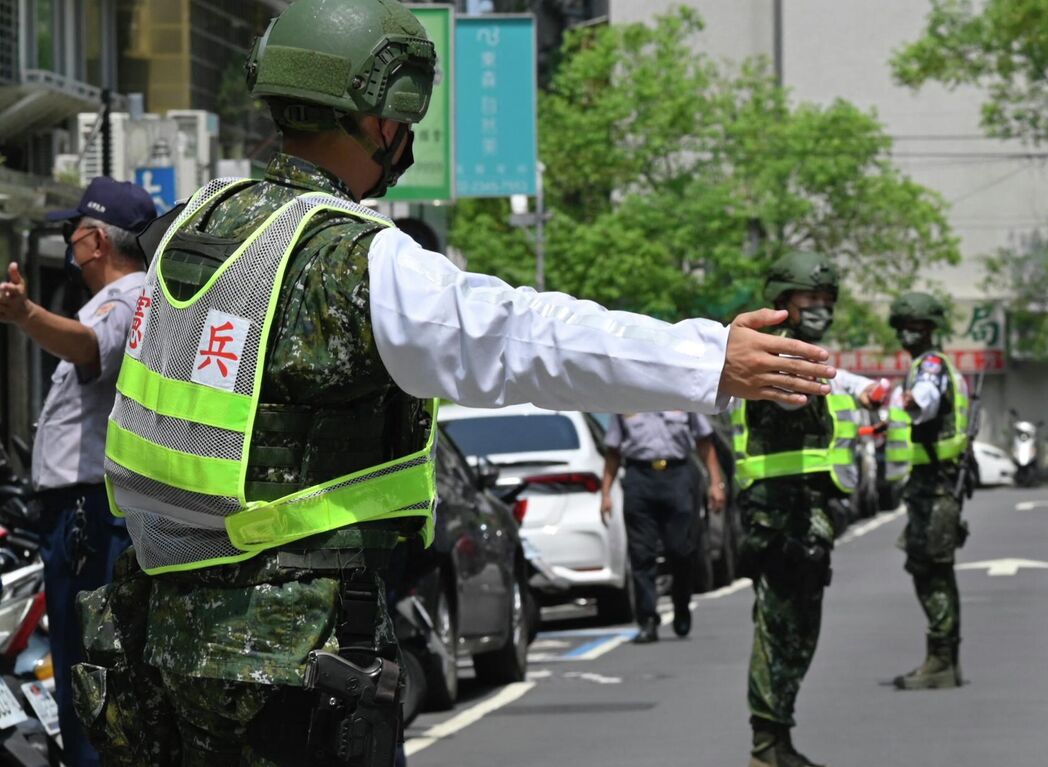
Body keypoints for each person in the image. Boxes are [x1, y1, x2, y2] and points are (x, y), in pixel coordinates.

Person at [71, 1, 836, 763]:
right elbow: (522, 337)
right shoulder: (352, 258)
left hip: (162, 650)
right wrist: (705, 359)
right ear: (381, 118)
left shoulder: (195, 224)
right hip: (287, 661)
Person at [0, 176, 155, 767]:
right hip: (86, 514)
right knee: (90, 672)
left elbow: (91, 346)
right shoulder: (132, 297)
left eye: (72, 232)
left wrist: (26, 313)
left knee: (88, 677)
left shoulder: (124, 298)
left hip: (89, 516)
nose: (68, 243)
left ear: (95, 241)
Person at [732, 251, 886, 767]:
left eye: (826, 300)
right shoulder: (773, 357)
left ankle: (778, 740)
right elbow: (803, 387)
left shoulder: (797, 355)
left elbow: (829, 380)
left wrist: (862, 390)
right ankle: (766, 746)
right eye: (809, 299)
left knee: (799, 629)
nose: (820, 308)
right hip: (778, 516)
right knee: (779, 629)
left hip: (804, 511)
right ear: (782, 302)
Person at [888, 291, 973, 691]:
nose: (908, 333)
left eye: (916, 327)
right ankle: (944, 658)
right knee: (932, 568)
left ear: (929, 330)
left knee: (931, 570)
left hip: (936, 486)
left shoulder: (932, 365)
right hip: (933, 483)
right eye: (904, 326)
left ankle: (941, 659)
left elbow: (927, 392)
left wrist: (912, 401)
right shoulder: (931, 364)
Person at [600, 410, 727, 644]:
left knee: (681, 549)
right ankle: (647, 620)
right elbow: (613, 451)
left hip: (678, 475)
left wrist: (715, 483)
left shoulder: (680, 393)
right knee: (641, 554)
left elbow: (704, 441)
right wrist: (606, 493)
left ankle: (681, 604)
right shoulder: (626, 401)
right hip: (639, 477)